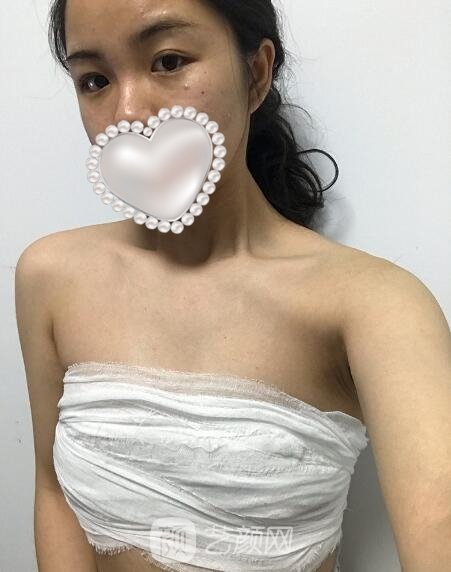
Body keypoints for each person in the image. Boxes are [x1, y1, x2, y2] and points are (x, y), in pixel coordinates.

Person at [15, 1, 451, 571]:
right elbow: (53, 489)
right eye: (94, 80)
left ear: (256, 73)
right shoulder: (50, 277)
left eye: (169, 61)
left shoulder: (374, 304)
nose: (128, 112)